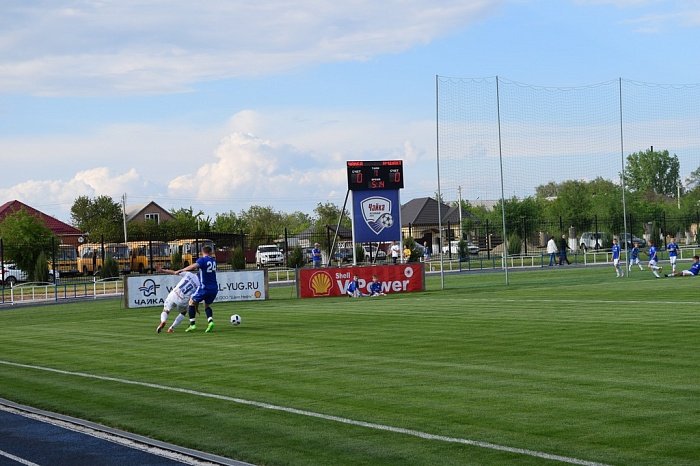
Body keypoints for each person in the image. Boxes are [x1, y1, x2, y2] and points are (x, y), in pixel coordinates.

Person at [176, 245, 218, 333]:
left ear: (202, 252)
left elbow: (193, 266)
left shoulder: (202, 260)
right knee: (206, 305)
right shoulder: (213, 261)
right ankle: (210, 321)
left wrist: (182, 270)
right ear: (210, 252)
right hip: (214, 288)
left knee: (191, 302)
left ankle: (192, 325)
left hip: (204, 287)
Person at [155, 268, 201, 333]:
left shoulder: (188, 274)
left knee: (166, 310)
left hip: (174, 294)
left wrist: (163, 270)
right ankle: (171, 328)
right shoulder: (200, 285)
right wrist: (196, 308)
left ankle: (163, 321)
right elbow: (195, 298)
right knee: (183, 312)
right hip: (183, 300)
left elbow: (174, 272)